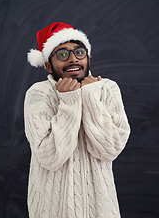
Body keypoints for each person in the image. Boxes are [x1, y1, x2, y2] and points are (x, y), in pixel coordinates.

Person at [24, 22, 130, 218]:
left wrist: (89, 97)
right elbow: (50, 157)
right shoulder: (38, 94)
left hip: (102, 208)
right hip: (52, 210)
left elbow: (109, 150)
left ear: (88, 57)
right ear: (48, 65)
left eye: (79, 52)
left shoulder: (107, 89)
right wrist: (70, 102)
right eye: (62, 54)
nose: (73, 59)